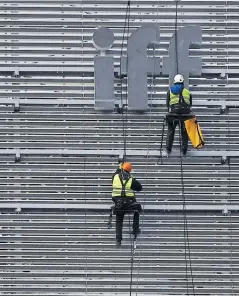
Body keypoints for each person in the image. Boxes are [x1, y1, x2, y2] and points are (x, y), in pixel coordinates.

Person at [112, 161, 142, 246]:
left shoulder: (115, 177)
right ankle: (135, 230)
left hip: (118, 204)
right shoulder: (131, 179)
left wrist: (120, 167)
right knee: (137, 210)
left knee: (119, 220)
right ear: (129, 171)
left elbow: (116, 173)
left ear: (121, 168)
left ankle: (118, 240)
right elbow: (140, 188)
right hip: (129, 204)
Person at [166, 74, 192, 155]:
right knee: (184, 131)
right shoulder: (187, 92)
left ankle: (168, 148)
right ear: (183, 82)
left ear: (174, 82)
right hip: (185, 114)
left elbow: (167, 104)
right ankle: (184, 149)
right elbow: (190, 104)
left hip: (173, 113)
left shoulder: (170, 91)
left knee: (171, 130)